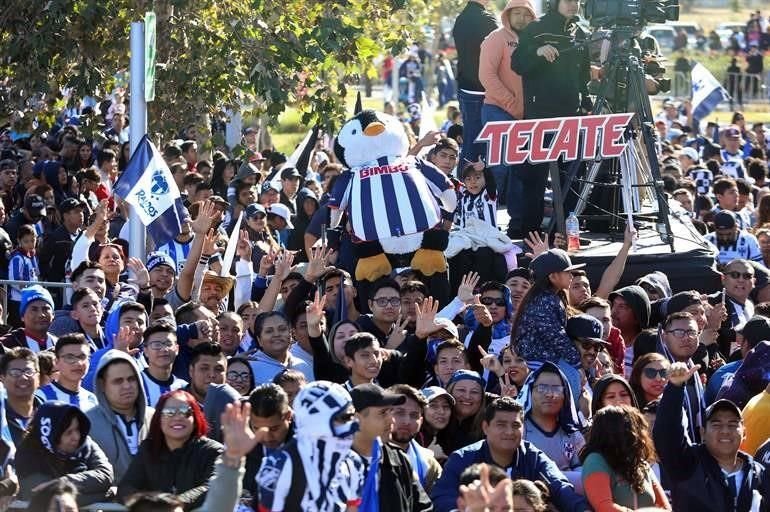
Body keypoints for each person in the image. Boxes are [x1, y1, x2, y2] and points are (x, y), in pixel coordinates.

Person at [510, 0, 591, 235]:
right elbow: (517, 64)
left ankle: (566, 232)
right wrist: (537, 51)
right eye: (567, 1)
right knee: (535, 176)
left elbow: (583, 76)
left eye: (576, 1)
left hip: (571, 116)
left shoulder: (581, 32)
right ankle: (529, 234)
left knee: (571, 177)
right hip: (540, 116)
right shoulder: (536, 28)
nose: (573, 5)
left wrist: (585, 102)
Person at [431, 397, 587, 512]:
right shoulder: (463, 458)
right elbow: (442, 499)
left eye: (515, 425)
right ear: (485, 428)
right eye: (501, 425)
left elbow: (560, 488)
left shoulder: (532, 457)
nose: (509, 432)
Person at [654, 362, 770, 511]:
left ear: (744, 433)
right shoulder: (687, 464)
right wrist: (675, 389)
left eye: (732, 424)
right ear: (702, 433)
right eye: (716, 424)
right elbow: (667, 434)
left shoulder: (760, 475)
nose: (725, 430)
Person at [256, 380, 364, 512]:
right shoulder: (279, 466)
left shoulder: (352, 463)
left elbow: (352, 509)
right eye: (344, 418)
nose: (353, 425)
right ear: (316, 421)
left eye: (352, 417)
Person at [477, 0, 536, 235]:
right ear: (507, 15)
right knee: (497, 169)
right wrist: (511, 103)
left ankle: (517, 225)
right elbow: (486, 76)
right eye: (517, 13)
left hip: (525, 117)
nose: (521, 18)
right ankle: (481, 221)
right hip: (497, 110)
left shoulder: (535, 40)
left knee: (521, 171)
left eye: (527, 14)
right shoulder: (496, 38)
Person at [117, 390, 223, 510]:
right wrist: (151, 506)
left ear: (195, 418)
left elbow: (213, 486)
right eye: (169, 412)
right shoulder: (148, 449)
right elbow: (126, 487)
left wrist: (173, 505)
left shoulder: (212, 451)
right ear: (159, 419)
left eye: (185, 412)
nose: (177, 417)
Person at [350, 383, 433, 512]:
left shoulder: (399, 459)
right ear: (357, 420)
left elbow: (424, 508)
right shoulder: (334, 464)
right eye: (383, 413)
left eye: (390, 411)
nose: (392, 420)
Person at [16, 401, 114, 505]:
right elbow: (48, 498)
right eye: (69, 432)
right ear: (52, 435)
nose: (76, 437)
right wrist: (108, 494)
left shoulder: (86, 443)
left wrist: (65, 481)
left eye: (77, 429)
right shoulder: (27, 454)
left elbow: (106, 475)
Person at [581, 405, 670, 510]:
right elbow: (604, 507)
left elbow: (665, 508)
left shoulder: (640, 463)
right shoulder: (595, 461)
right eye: (637, 428)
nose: (643, 435)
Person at [87, 349, 154, 482]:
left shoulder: (155, 417)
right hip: (109, 500)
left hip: (153, 499)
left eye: (131, 379)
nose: (127, 386)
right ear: (102, 384)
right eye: (118, 381)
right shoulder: (88, 423)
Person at [521, 362, 585, 491]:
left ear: (565, 395)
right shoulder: (519, 430)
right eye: (542, 388)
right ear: (530, 391)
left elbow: (584, 473)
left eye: (557, 389)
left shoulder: (573, 434)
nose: (550, 394)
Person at [452, 0, 498, 165]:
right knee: (480, 142)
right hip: (481, 88)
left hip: (466, 86)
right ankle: (469, 188)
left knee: (471, 137)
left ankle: (466, 186)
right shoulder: (486, 19)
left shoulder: (461, 18)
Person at [388, 384, 443, 494]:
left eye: (414, 415)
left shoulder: (429, 465)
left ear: (421, 421)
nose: (407, 421)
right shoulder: (368, 456)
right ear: (384, 414)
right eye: (399, 413)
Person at [35, 333, 98, 411]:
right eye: (70, 357)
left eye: (82, 357)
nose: (78, 363)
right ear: (56, 362)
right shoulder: (40, 397)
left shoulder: (92, 399)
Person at [0, 348, 41, 448]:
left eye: (29, 371)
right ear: (2, 379)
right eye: (15, 373)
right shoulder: (2, 418)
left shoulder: (51, 414)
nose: (23, 377)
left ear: (38, 378)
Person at [141, 320, 188, 407]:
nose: (164, 349)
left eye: (168, 344)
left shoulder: (184, 387)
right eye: (157, 345)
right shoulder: (137, 383)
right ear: (145, 350)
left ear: (177, 349)